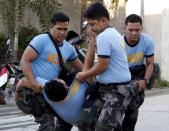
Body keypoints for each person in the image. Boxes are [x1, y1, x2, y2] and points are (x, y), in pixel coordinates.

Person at [17, 12, 83, 131]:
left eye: (65, 29)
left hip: (51, 91)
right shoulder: (41, 40)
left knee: (66, 121)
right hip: (34, 88)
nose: (62, 32)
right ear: (50, 28)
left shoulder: (69, 48)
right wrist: (33, 83)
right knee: (48, 126)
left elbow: (82, 70)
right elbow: (24, 61)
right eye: (58, 29)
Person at [75, 3, 131, 131]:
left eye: (93, 24)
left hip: (118, 90)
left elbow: (102, 66)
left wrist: (84, 75)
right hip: (103, 88)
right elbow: (97, 63)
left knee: (103, 127)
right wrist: (91, 43)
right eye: (89, 24)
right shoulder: (113, 33)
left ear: (104, 21)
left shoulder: (105, 36)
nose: (91, 28)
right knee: (84, 121)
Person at [122, 14, 159, 131]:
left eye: (137, 30)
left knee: (133, 107)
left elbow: (150, 64)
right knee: (119, 106)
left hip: (139, 72)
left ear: (141, 29)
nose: (134, 33)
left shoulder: (148, 41)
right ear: (125, 29)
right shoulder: (119, 43)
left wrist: (145, 79)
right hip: (123, 73)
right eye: (130, 30)